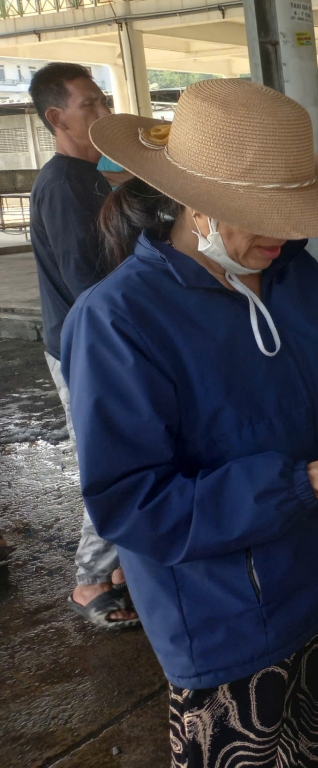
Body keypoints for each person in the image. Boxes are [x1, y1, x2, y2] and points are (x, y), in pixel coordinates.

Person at [61, 79, 318, 767]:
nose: (288, 232)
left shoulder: (295, 278)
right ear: (193, 203)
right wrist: (300, 484)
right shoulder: (119, 321)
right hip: (225, 625)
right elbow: (133, 503)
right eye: (261, 211)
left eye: (294, 210)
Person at [27, 62, 136, 630]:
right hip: (84, 346)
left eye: (103, 101)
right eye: (89, 104)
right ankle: (90, 580)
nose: (103, 113)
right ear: (56, 117)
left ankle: (121, 570)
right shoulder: (64, 184)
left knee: (135, 448)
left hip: (105, 340)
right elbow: (86, 283)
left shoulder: (94, 176)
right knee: (109, 458)